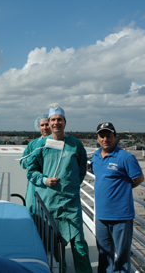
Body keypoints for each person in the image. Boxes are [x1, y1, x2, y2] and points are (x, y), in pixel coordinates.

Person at [27, 107, 93, 273]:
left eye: (59, 119)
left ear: (65, 122)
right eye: (53, 120)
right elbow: (31, 170)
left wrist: (70, 185)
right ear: (49, 123)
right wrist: (44, 180)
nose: (56, 123)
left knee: (79, 243)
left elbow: (81, 169)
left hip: (71, 202)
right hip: (51, 202)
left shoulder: (75, 144)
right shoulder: (41, 145)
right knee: (57, 245)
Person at [90, 122, 145, 273]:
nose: (105, 139)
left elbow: (139, 178)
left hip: (121, 215)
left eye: (109, 136)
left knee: (121, 256)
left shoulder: (125, 157)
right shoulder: (95, 156)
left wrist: (123, 188)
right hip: (101, 214)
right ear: (98, 138)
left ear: (115, 137)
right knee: (103, 253)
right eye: (102, 136)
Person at [20, 114, 51, 214]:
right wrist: (34, 157)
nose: (45, 127)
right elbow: (23, 162)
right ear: (38, 127)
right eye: (42, 125)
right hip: (34, 184)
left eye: (47, 124)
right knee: (33, 211)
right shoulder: (33, 144)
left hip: (50, 183)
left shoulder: (59, 143)